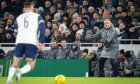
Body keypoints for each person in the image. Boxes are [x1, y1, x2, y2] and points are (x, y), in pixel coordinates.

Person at [6, 2, 46, 84]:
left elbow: (16, 33)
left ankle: (9, 80)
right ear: (32, 9)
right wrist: (42, 42)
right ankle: (20, 71)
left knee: (15, 63)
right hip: (31, 42)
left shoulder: (19, 18)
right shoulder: (37, 16)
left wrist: (19, 44)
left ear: (24, 9)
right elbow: (43, 28)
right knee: (31, 64)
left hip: (19, 42)